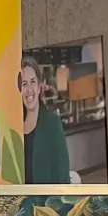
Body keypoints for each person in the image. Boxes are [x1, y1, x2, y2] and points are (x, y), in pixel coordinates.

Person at [20, 56, 70, 185]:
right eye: (24, 84)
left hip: (46, 203)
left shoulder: (52, 124)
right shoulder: (14, 126)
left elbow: (62, 175)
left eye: (33, 82)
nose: (29, 89)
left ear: (39, 86)